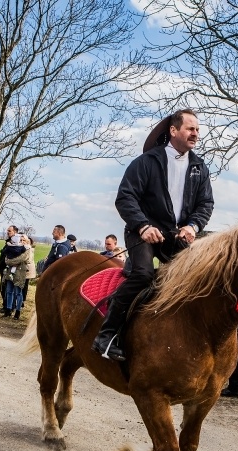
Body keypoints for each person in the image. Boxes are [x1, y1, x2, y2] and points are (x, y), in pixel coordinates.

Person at [93, 108, 214, 361]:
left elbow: (206, 204)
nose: (195, 134)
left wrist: (192, 226)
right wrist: (143, 226)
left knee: (198, 279)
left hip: (176, 237)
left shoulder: (200, 167)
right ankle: (107, 335)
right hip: (142, 233)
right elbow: (125, 197)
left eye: (197, 129)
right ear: (173, 130)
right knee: (143, 274)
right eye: (190, 129)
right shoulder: (147, 162)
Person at [2, 233, 31, 320]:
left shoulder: (27, 250)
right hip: (10, 272)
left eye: (23, 240)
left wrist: (10, 261)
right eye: (20, 240)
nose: (21, 242)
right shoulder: (13, 248)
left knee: (18, 292)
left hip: (19, 273)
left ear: (27, 241)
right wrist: (10, 261)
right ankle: (8, 310)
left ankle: (17, 311)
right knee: (9, 291)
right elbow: (6, 259)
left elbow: (22, 258)